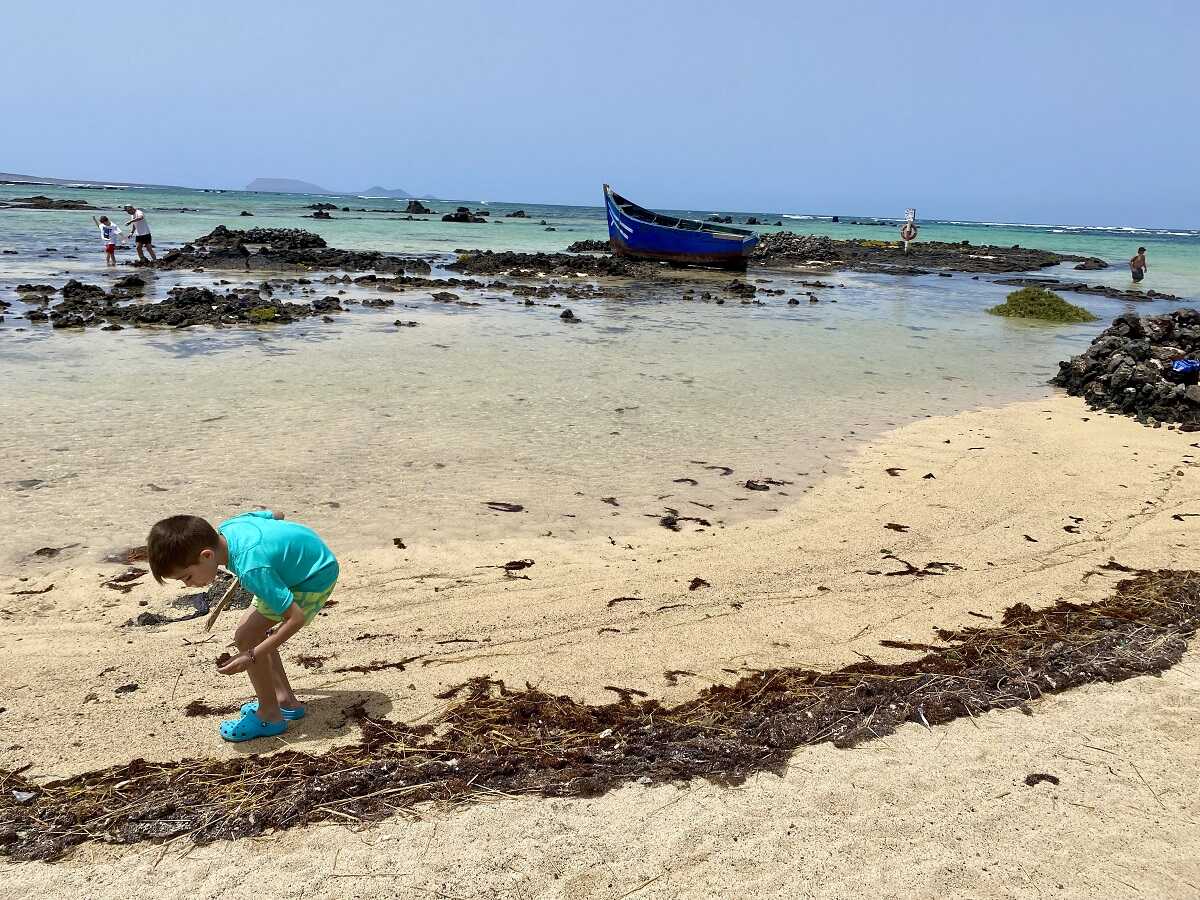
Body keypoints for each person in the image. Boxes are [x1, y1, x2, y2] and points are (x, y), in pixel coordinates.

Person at [147, 510, 339, 742]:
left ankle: (270, 716)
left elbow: (295, 619)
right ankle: (284, 701)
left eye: (187, 577)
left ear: (206, 555)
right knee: (249, 633)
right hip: (299, 563)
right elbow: (276, 515)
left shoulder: (252, 569)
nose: (189, 586)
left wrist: (253, 655)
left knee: (247, 639)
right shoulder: (230, 527)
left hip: (311, 578)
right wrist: (281, 552)